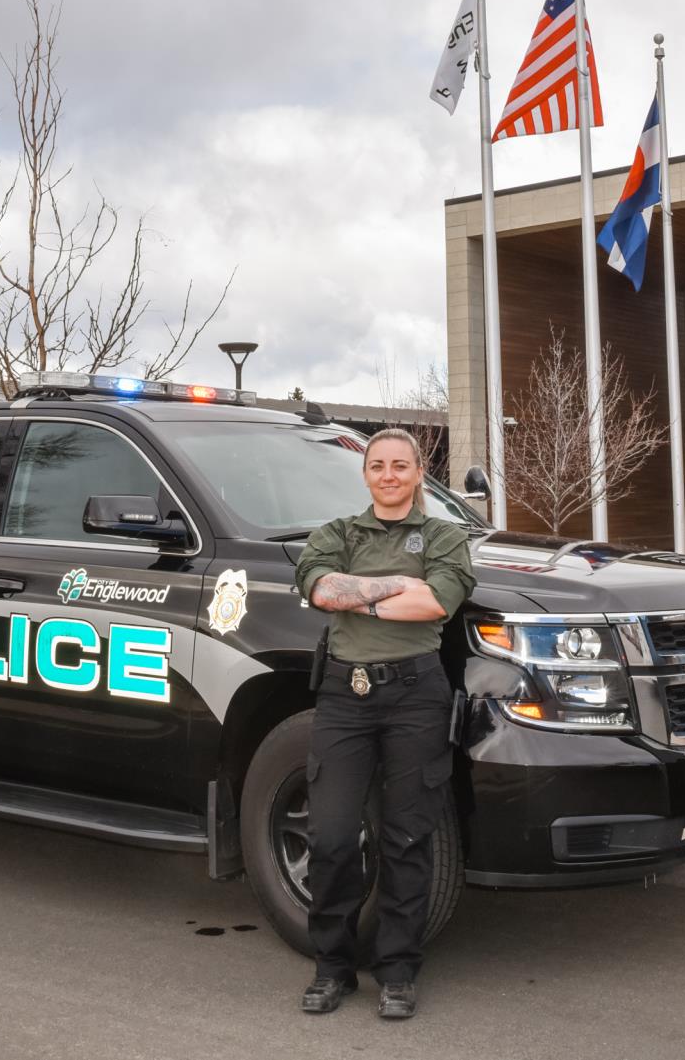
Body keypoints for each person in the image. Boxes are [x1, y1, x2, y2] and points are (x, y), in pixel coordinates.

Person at [291, 428, 475, 1021]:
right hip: (345, 694)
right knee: (333, 837)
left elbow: (435, 603)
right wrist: (394, 587)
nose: (389, 475)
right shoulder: (336, 534)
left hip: (416, 695)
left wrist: (359, 594)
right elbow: (322, 590)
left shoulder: (445, 536)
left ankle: (397, 972)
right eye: (378, 466)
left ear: (419, 473)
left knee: (407, 838)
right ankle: (333, 968)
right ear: (365, 474)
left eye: (401, 465)